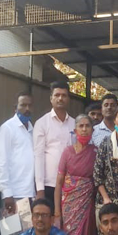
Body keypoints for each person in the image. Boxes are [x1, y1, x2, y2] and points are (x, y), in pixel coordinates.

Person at [55, 114, 98, 235]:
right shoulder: (67, 152)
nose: (84, 129)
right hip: (68, 207)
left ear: (92, 130)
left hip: (86, 206)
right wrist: (57, 213)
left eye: (87, 126)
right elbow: (59, 183)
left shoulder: (95, 152)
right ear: (75, 130)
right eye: (81, 126)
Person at [34, 81, 75, 212]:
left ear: (68, 99)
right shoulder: (42, 123)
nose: (60, 98)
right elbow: (38, 156)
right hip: (49, 184)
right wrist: (40, 189)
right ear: (51, 98)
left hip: (70, 185)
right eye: (57, 95)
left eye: (64, 95)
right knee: (50, 221)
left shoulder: (75, 124)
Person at [0, 92, 35, 216]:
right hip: (14, 194)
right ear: (15, 108)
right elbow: (2, 162)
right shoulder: (7, 128)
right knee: (13, 228)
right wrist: (7, 193)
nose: (27, 109)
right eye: (23, 105)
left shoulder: (32, 129)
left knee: (28, 228)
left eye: (30, 105)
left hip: (30, 193)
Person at [94, 105, 118, 209]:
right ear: (115, 120)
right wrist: (106, 198)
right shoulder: (106, 142)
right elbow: (97, 173)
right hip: (107, 200)